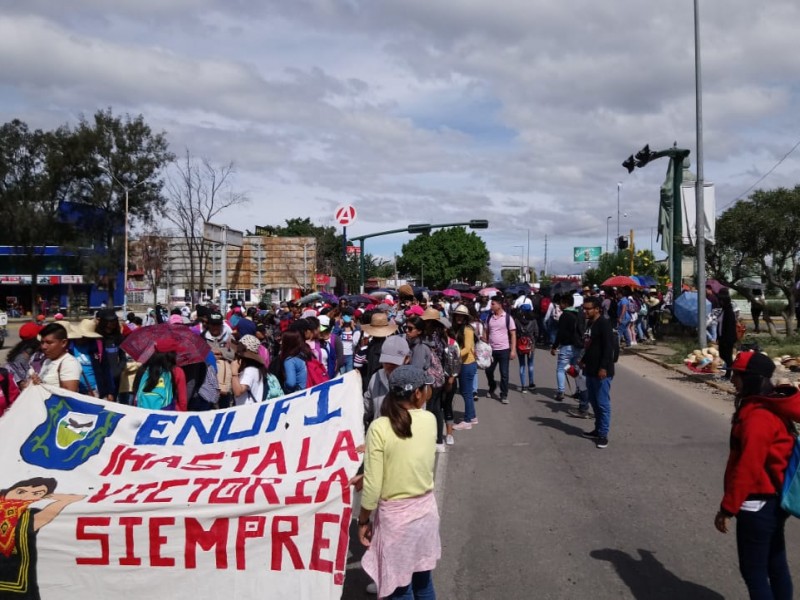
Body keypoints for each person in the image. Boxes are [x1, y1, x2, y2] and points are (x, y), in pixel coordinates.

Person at [715, 350, 798, 599]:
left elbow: (748, 468)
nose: (733, 381)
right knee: (775, 563)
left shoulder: (758, 417)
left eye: (738, 376)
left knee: (754, 572)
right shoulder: (767, 406)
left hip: (758, 504)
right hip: (773, 501)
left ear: (752, 379)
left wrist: (728, 508)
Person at [359, 365, 441, 599]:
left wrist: (363, 521)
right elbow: (407, 460)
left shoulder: (379, 427)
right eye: (425, 387)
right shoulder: (429, 419)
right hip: (425, 513)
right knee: (423, 581)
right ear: (417, 393)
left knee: (399, 586)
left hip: (396, 521)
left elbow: (373, 486)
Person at [579, 296, 614, 449]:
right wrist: (584, 359)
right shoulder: (591, 323)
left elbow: (608, 348)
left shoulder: (604, 323)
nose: (585, 311)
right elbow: (590, 345)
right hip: (590, 369)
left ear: (597, 309)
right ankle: (597, 429)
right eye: (584, 308)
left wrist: (604, 368)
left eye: (588, 309)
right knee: (593, 401)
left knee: (602, 403)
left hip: (602, 371)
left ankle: (603, 435)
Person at [363, 335, 411, 426]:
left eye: (394, 363)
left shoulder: (414, 383)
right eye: (386, 361)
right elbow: (366, 407)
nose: (389, 366)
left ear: (407, 359)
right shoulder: (376, 377)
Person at [131, 339, 187, 411]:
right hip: (166, 415)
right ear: (172, 355)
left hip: (142, 414)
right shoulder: (177, 372)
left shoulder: (143, 369)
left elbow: (135, 392)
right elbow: (183, 402)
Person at [29, 323, 81, 393]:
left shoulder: (69, 363)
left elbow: (68, 397)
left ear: (63, 343)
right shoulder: (47, 360)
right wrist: (38, 383)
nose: (44, 347)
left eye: (49, 342)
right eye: (42, 342)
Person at [484, 295, 516, 404]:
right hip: (491, 350)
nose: (491, 306)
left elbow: (513, 334)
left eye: (493, 304)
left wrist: (513, 350)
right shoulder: (489, 317)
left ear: (499, 305)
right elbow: (486, 332)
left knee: (504, 373)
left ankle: (504, 394)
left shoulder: (507, 318)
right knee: (488, 371)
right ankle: (492, 386)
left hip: (504, 350)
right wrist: (484, 342)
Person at [551, 293, 582, 402]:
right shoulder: (579, 314)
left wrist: (554, 346)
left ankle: (561, 392)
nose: (559, 305)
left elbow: (560, 333)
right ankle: (579, 391)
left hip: (567, 346)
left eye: (560, 303)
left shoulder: (565, 315)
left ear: (565, 303)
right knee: (574, 369)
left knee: (561, 369)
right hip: (578, 346)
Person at [451, 304, 478, 429]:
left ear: (466, 317)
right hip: (463, 363)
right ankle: (472, 416)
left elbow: (467, 348)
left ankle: (467, 421)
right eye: (458, 315)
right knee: (465, 392)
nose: (459, 317)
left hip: (467, 364)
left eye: (462, 316)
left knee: (466, 392)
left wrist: (454, 356)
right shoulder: (457, 328)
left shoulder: (468, 329)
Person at [230, 335, 268, 406]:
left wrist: (234, 372)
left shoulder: (249, 371)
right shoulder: (255, 370)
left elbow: (238, 391)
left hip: (247, 412)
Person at [515, 305, 537, 394]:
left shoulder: (517, 320)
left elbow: (514, 332)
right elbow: (537, 332)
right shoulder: (533, 320)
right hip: (530, 344)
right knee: (530, 364)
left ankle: (523, 386)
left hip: (520, 344)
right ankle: (531, 384)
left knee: (522, 365)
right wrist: (533, 340)